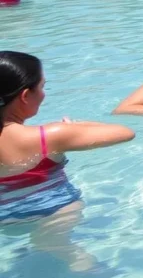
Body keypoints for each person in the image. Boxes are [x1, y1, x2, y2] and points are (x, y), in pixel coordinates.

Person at [0, 51, 135, 271]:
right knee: (67, 252)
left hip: (5, 218)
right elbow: (125, 132)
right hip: (55, 211)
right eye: (42, 87)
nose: (43, 94)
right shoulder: (48, 136)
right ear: (25, 95)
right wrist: (74, 128)